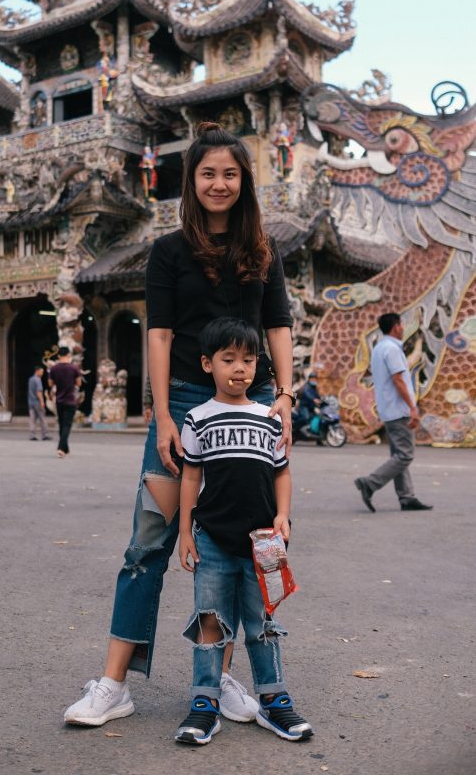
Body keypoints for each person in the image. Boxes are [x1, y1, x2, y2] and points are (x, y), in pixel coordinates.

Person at [64, 121, 295, 727]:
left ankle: (215, 682)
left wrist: (287, 398)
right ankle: (114, 685)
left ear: (245, 182)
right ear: (191, 182)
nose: (220, 183)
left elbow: (278, 328)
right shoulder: (168, 252)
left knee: (243, 542)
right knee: (147, 546)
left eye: (231, 173)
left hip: (250, 411)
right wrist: (163, 414)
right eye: (208, 173)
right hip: (188, 404)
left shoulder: (263, 250)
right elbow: (160, 334)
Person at [175, 318, 311, 745]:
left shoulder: (269, 418)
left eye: (248, 360)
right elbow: (190, 478)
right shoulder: (197, 418)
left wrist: (284, 515)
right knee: (211, 623)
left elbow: (282, 473)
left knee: (262, 623)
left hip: (263, 543)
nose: (240, 368)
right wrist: (185, 531)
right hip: (212, 540)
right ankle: (204, 704)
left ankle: (274, 700)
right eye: (228, 359)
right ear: (207, 363)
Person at [354, 312, 432, 512]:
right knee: (405, 455)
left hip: (388, 409)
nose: (403, 328)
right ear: (396, 326)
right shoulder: (392, 349)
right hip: (399, 410)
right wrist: (413, 407)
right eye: (402, 324)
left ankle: (406, 497)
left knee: (399, 454)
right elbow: (399, 380)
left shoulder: (380, 348)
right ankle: (370, 483)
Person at [48, 347, 82, 458]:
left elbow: (50, 384)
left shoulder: (54, 368)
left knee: (62, 425)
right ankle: (61, 448)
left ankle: (65, 448)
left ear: (58, 356)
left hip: (59, 400)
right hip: (70, 400)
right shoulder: (74, 368)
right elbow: (79, 383)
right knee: (67, 425)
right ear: (68, 355)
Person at [28, 363, 50, 442]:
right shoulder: (37, 380)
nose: (42, 373)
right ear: (37, 371)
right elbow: (39, 392)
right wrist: (42, 402)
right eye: (41, 372)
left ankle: (32, 435)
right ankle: (45, 434)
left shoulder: (31, 379)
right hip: (37, 402)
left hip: (31, 402)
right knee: (42, 418)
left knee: (32, 419)